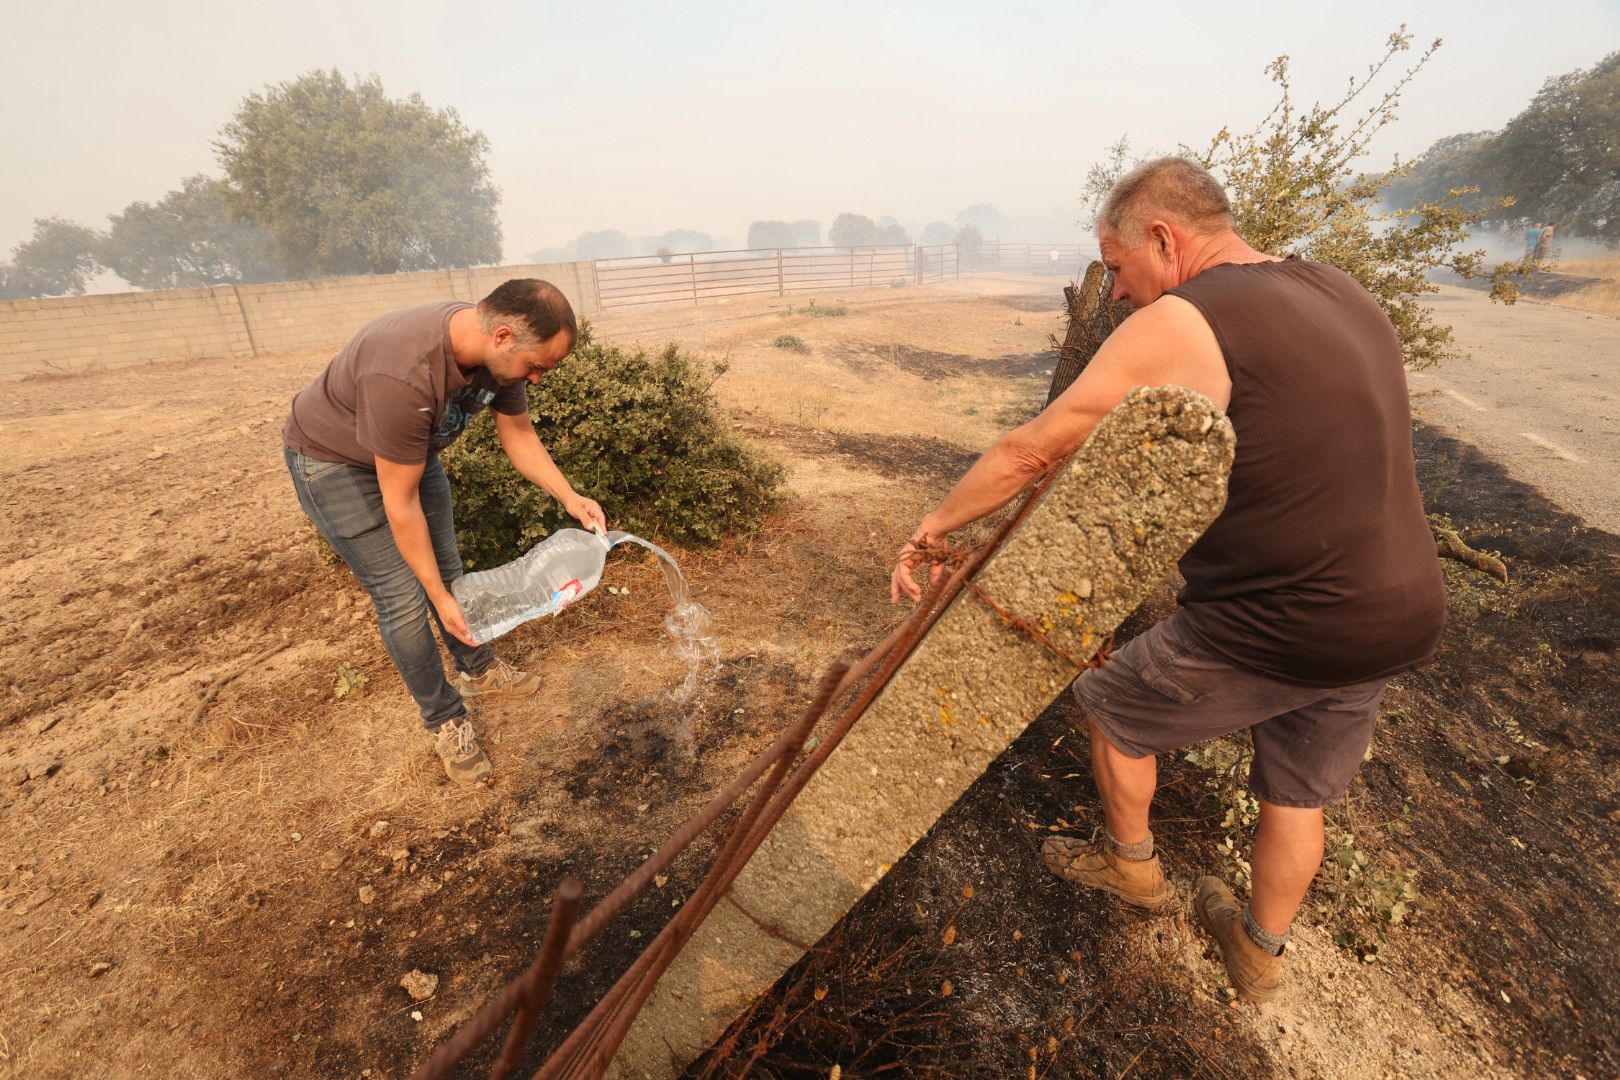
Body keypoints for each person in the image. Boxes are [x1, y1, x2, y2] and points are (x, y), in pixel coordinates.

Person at [890, 158, 1446, 1003]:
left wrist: (933, 528)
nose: (1113, 294)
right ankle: (1259, 953)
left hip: (1286, 614)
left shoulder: (1189, 320)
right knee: (1297, 789)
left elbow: (1033, 449)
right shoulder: (1341, 289)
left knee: (1112, 704)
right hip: (1397, 604)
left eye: (1116, 268)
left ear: (1163, 237)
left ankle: (1132, 869)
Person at [283, 279, 606, 785]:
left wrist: (570, 496)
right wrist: (433, 590)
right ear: (502, 337)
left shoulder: (500, 353)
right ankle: (444, 719)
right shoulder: (405, 373)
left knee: (450, 572)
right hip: (337, 464)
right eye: (537, 366)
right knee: (405, 597)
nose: (539, 379)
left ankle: (478, 669)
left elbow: (518, 434)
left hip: (410, 455)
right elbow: (400, 501)